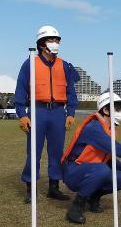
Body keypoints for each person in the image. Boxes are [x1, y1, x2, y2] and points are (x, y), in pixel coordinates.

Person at [61, 93, 121, 224]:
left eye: (120, 110)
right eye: (116, 109)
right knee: (102, 170)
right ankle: (76, 207)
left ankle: (93, 197)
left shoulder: (108, 128)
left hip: (89, 169)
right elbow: (114, 147)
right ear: (105, 110)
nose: (120, 113)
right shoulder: (94, 127)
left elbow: (105, 156)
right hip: (73, 171)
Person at [15, 25, 78, 204]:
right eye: (51, 40)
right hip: (37, 111)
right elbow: (20, 90)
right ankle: (30, 187)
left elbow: (71, 92)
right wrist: (22, 114)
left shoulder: (64, 65)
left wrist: (70, 113)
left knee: (57, 151)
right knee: (33, 151)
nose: (55, 43)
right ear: (42, 44)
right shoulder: (30, 63)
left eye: (57, 40)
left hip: (58, 112)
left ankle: (54, 187)